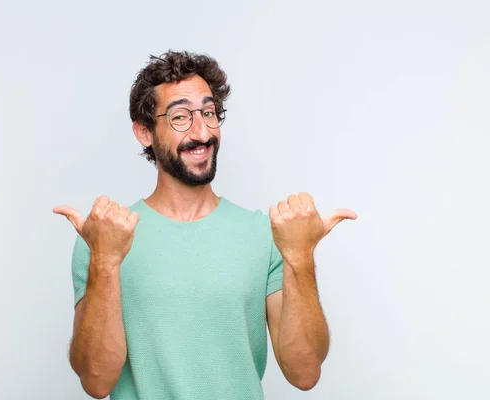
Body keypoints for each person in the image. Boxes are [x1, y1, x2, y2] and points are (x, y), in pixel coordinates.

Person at [53, 50, 357, 400]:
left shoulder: (264, 235)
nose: (202, 132)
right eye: (180, 116)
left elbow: (304, 373)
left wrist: (300, 256)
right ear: (144, 132)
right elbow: (96, 380)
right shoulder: (105, 237)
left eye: (209, 113)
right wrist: (104, 262)